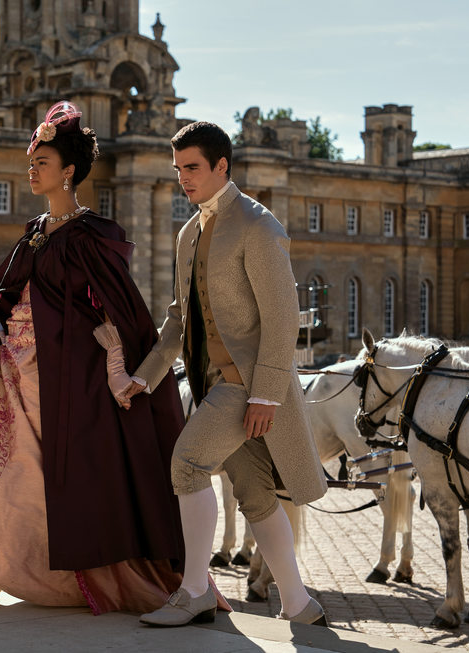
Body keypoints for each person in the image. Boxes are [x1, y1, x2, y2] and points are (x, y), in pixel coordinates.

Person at [0, 101, 228, 616]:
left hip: (67, 378)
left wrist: (120, 367)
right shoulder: (36, 230)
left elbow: (121, 312)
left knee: (33, 471)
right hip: (19, 367)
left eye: (42, 164)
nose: (32, 171)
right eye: (30, 163)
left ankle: (4, 567)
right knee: (6, 459)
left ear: (68, 171)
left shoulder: (90, 235)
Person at [127, 121, 328, 627]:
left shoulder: (259, 226)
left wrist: (266, 396)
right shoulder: (188, 232)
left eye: (192, 167)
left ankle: (195, 591)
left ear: (222, 165)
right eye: (177, 169)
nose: (182, 179)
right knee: (254, 492)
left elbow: (283, 319)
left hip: (247, 386)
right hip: (212, 383)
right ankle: (301, 605)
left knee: (188, 464)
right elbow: (178, 317)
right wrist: (144, 377)